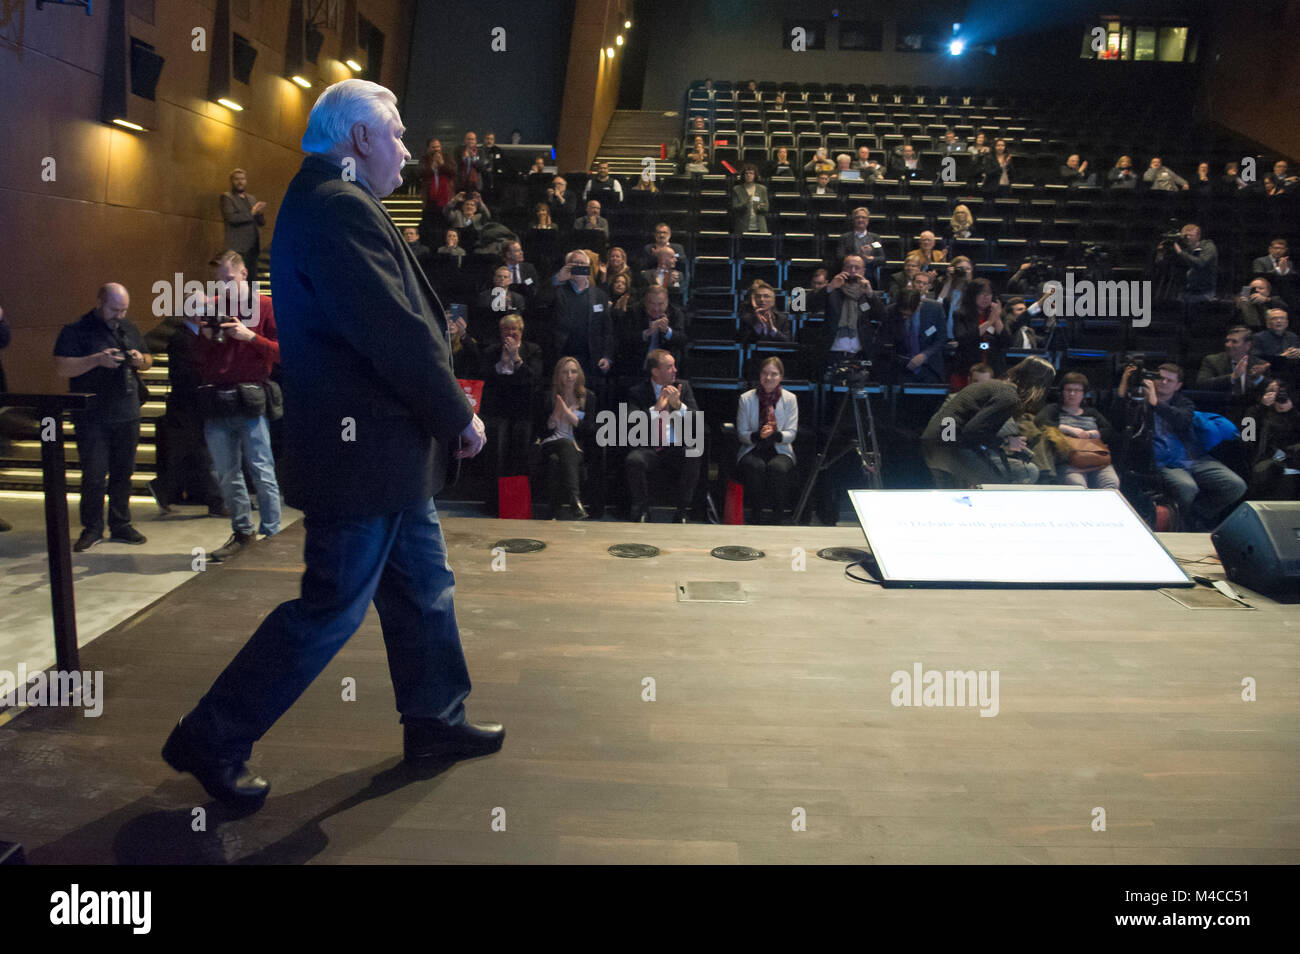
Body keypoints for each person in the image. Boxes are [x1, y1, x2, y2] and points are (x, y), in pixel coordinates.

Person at [161, 79, 498, 811]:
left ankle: (435, 717)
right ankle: (212, 735)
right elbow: (394, 332)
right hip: (364, 457)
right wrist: (455, 414)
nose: (409, 151)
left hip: (383, 456)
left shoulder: (329, 200)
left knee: (422, 588)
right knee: (332, 605)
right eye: (400, 135)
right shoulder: (337, 206)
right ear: (362, 139)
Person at [191, 251, 282, 563]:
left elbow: (283, 352)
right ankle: (242, 531)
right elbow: (199, 359)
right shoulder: (213, 307)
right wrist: (205, 335)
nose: (224, 286)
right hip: (217, 397)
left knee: (262, 469)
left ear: (244, 274)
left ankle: (272, 534)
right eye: (220, 281)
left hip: (251, 396)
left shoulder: (265, 305)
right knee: (227, 472)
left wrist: (249, 337)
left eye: (229, 279)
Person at [53, 283, 152, 551]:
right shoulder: (76, 331)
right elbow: (62, 367)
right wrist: (97, 360)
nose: (119, 315)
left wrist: (138, 359)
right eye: (114, 309)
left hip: (127, 411)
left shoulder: (128, 327)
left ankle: (121, 523)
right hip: (92, 415)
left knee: (123, 472)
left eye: (124, 310)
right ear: (99, 302)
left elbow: (148, 359)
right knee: (95, 474)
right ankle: (92, 527)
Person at [1122, 362, 1246, 529]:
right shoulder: (1140, 401)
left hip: (1192, 458)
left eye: (1169, 380)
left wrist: (1156, 404)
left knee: (1236, 485)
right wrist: (1125, 385)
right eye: (1160, 378)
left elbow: (1182, 421)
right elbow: (1119, 418)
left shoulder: (1184, 403)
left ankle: (1195, 517)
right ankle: (1181, 524)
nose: (1163, 382)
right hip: (1164, 462)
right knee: (1187, 488)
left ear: (1178, 385)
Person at [921, 356, 1057, 487]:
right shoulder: (1009, 397)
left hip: (932, 444)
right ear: (1038, 385)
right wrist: (1006, 442)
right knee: (998, 485)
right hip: (950, 447)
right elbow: (973, 431)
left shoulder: (993, 387)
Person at [625, 349, 701, 523]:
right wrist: (655, 409)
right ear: (655, 371)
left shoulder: (684, 387)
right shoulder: (638, 391)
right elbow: (631, 422)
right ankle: (643, 510)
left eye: (674, 366)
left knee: (694, 454)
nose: (675, 370)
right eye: (669, 367)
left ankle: (681, 512)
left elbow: (697, 419)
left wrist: (679, 406)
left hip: (676, 447)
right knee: (634, 460)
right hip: (649, 448)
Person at [480, 314, 542, 507]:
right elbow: (484, 378)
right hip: (497, 412)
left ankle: (516, 504)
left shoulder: (532, 350)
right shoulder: (491, 351)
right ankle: (494, 503)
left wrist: (516, 359)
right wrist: (501, 363)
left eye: (514, 329)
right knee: (496, 454)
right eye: (506, 329)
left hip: (523, 412)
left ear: (521, 332)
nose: (510, 332)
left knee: (520, 455)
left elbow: (534, 379)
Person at [736, 356, 798, 524]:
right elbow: (741, 433)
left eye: (774, 374)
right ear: (760, 375)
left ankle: (778, 517)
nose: (769, 378)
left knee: (777, 468)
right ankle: (756, 515)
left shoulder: (790, 399)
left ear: (781, 377)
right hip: (753, 447)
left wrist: (775, 434)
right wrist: (759, 435)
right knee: (755, 466)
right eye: (765, 373)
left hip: (780, 449)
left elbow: (791, 433)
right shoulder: (746, 399)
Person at [535, 356, 598, 519]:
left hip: (575, 447)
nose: (569, 376)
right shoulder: (549, 397)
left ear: (579, 375)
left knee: (556, 460)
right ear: (559, 375)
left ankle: (552, 510)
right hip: (550, 442)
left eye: (573, 372)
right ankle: (575, 501)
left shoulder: (588, 397)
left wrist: (569, 415)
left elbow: (590, 429)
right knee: (563, 443)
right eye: (565, 372)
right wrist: (555, 415)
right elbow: (541, 430)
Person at [1036, 372, 1120, 489]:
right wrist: (1069, 429)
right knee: (1076, 485)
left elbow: (1109, 431)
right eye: (1068, 390)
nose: (1072, 393)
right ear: (1062, 392)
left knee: (1111, 482)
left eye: (1077, 390)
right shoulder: (1054, 409)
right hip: (1068, 462)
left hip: (1097, 461)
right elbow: (1040, 422)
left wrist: (1092, 433)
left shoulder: (1091, 412)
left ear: (1084, 394)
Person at [551, 250, 614, 383]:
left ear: (588, 267)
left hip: (591, 357)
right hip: (563, 353)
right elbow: (538, 302)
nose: (578, 266)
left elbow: (607, 329)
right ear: (567, 266)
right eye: (574, 263)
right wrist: (557, 279)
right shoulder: (557, 290)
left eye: (582, 263)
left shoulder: (599, 295)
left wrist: (607, 356)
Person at [1244, 379, 1300, 499]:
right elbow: (1246, 437)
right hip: (1264, 459)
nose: (1276, 396)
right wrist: (1262, 408)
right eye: (1272, 391)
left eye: (1280, 392)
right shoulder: (1253, 411)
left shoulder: (1293, 413)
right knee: (1272, 470)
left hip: (1291, 457)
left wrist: (1291, 412)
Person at [950, 278, 1011, 388]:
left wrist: (996, 318)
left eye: (989, 294)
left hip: (994, 367)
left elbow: (1007, 341)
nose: (986, 297)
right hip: (968, 366)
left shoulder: (998, 315)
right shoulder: (961, 314)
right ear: (973, 295)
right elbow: (963, 338)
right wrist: (989, 322)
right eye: (981, 294)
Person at [623, 285, 686, 371]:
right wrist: (646, 333)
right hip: (637, 365)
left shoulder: (676, 313)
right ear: (645, 302)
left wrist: (667, 331)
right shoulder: (633, 312)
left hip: (665, 369)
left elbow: (682, 340)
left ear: (667, 302)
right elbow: (624, 339)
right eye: (651, 304)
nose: (656, 308)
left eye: (660, 304)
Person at [889, 289, 946, 384]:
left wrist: (925, 355)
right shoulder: (891, 311)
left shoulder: (935, 309)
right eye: (902, 314)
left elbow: (942, 338)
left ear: (919, 306)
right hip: (902, 370)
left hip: (930, 368)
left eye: (908, 315)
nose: (904, 317)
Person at [1196, 326, 1269, 400]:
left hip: (1249, 408)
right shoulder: (1212, 361)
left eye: (1234, 342)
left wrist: (1258, 378)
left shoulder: (1260, 364)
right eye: (1227, 341)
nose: (1228, 345)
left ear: (1248, 345)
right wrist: (1232, 377)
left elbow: (1268, 390)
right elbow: (1201, 384)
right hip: (1221, 406)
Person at [220, 169, 266, 276]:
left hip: (253, 247)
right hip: (238, 248)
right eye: (237, 179)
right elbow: (231, 218)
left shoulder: (251, 198)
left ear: (246, 181)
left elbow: (261, 222)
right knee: (238, 280)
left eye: (242, 179)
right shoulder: (227, 197)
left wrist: (259, 213)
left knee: (252, 280)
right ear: (231, 181)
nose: (240, 182)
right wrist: (252, 213)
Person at [1157, 222, 1217, 302]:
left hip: (1203, 293)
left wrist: (1180, 252)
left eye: (1191, 235)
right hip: (1184, 292)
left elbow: (1200, 263)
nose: (1188, 238)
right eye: (1185, 235)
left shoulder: (1208, 246)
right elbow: (1166, 267)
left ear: (1198, 236)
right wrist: (1161, 253)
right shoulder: (1184, 249)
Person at [836, 207, 885, 277]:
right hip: (850, 274)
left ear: (868, 220)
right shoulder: (845, 238)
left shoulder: (875, 238)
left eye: (863, 217)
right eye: (857, 217)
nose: (860, 220)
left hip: (869, 274)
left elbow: (882, 259)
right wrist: (859, 255)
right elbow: (839, 257)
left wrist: (870, 259)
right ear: (853, 220)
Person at [731, 163, 770, 233]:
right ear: (743, 175)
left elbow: (766, 207)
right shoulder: (737, 189)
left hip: (760, 227)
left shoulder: (762, 189)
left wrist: (760, 207)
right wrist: (746, 203)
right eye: (746, 173)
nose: (749, 175)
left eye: (751, 173)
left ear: (755, 175)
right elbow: (735, 207)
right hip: (743, 227)